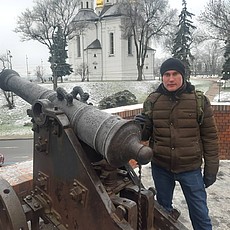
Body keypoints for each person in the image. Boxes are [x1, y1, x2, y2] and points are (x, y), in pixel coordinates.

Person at [135, 58, 219, 230]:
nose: (170, 79)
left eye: (175, 74)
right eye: (166, 74)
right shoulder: (153, 101)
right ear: (162, 77)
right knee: (162, 213)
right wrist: (139, 125)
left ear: (183, 76)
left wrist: (211, 170)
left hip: (190, 168)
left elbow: (210, 138)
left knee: (200, 215)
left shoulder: (199, 101)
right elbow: (144, 135)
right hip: (161, 167)